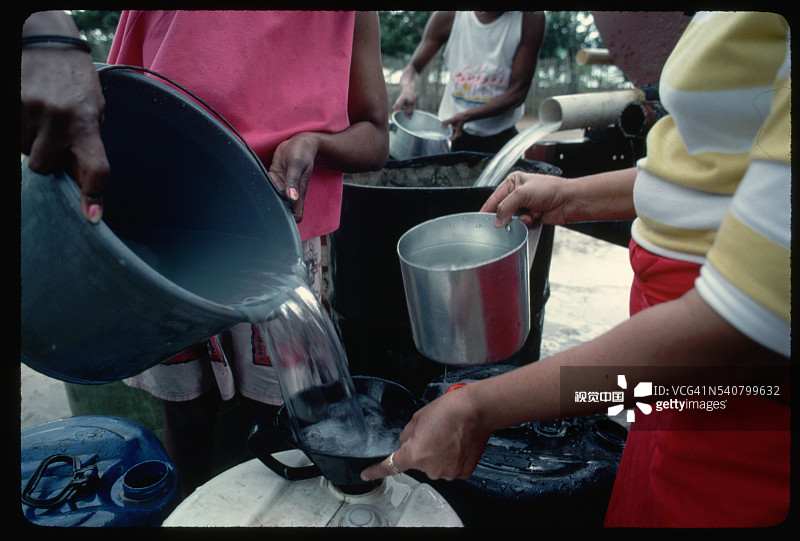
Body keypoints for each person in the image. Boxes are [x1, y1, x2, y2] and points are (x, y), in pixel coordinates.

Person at [363, 11, 790, 528]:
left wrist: (484, 407)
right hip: (661, 375)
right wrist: (572, 198)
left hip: (729, 385)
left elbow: (734, 329)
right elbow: (705, 173)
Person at [22, 10, 389, 496]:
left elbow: (376, 134)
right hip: (156, 226)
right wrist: (47, 37)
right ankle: (187, 505)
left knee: (279, 415)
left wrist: (315, 143)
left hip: (277, 240)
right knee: (187, 412)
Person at [393, 11, 545, 153]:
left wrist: (467, 116)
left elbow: (518, 92)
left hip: (501, 137)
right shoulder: (450, 14)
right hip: (453, 134)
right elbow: (413, 67)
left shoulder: (530, 18)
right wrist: (407, 89)